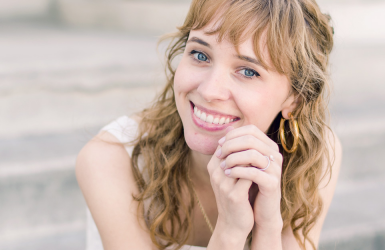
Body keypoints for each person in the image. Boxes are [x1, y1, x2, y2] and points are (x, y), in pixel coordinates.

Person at [76, 0, 342, 249]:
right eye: (200, 55)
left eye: (248, 71)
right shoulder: (110, 159)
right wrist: (230, 232)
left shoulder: (312, 158)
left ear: (294, 99)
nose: (210, 90)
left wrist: (269, 226)